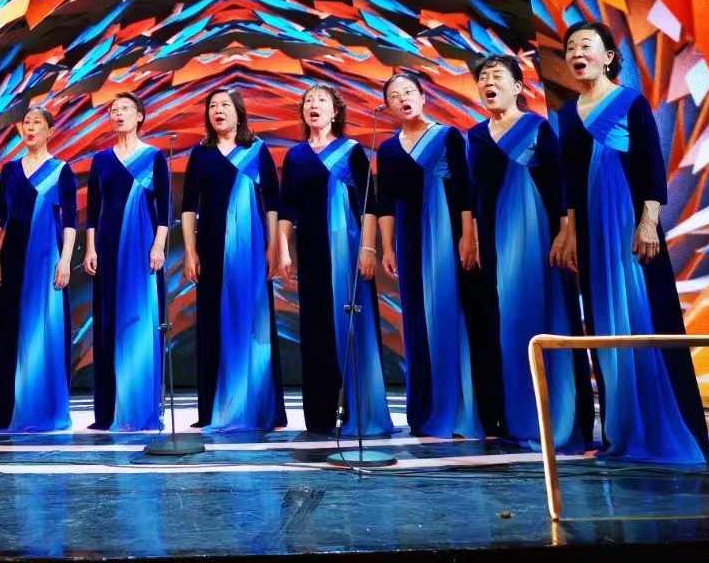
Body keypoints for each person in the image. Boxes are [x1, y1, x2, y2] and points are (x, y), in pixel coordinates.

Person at [557, 21, 709, 464]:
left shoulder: (631, 102)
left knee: (645, 314)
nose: (576, 53)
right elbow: (570, 182)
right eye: (571, 47)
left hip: (630, 224)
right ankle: (621, 431)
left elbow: (650, 164)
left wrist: (648, 222)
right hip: (591, 232)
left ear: (608, 57)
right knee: (603, 322)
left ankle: (664, 429)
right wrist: (568, 231)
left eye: (586, 46)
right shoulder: (566, 115)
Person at [466, 56, 592, 452]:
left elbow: (561, 183)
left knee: (543, 317)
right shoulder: (475, 136)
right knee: (507, 324)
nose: (488, 82)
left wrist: (566, 232)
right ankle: (518, 419)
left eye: (497, 76)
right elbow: (472, 193)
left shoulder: (537, 128)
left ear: (519, 87)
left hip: (539, 237)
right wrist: (470, 235)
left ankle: (558, 420)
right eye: (483, 77)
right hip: (494, 240)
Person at [370, 70, 502, 439]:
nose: (403, 99)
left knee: (453, 309)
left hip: (448, 234)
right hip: (410, 239)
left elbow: (464, 190)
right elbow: (385, 203)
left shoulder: (448, 136)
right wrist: (387, 246)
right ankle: (428, 409)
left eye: (408, 92)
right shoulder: (388, 149)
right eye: (395, 96)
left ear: (422, 96)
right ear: (388, 106)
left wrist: (468, 236)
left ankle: (463, 407)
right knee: (417, 318)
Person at [280, 83, 394, 437]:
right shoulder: (295, 156)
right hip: (311, 250)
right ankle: (320, 415)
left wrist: (369, 249)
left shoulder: (351, 151)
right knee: (315, 328)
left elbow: (369, 204)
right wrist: (283, 249)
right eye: (308, 100)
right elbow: (287, 208)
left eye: (321, 100)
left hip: (348, 249)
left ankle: (361, 410)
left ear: (336, 111)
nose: (313, 105)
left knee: (352, 325)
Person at [180, 87, 286, 431]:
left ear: (239, 112)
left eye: (225, 105)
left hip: (251, 248)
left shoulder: (257, 150)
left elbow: (272, 203)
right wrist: (190, 251)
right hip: (209, 247)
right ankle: (213, 409)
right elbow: (188, 207)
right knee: (212, 321)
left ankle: (260, 407)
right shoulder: (201, 153)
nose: (218, 110)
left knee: (254, 320)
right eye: (212, 106)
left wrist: (273, 246)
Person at [0, 108, 78, 432]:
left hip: (48, 256)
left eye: (37, 123)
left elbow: (71, 221)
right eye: (26, 123)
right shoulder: (10, 170)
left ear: (50, 131)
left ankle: (44, 407)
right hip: (12, 255)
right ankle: (6, 411)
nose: (30, 127)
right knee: (10, 329)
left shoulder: (61, 170)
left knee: (45, 327)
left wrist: (65, 260)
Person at [82, 91, 170, 431]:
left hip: (142, 246)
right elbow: (93, 209)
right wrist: (90, 249)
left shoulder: (154, 157)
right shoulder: (101, 160)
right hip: (106, 246)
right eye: (113, 110)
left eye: (125, 109)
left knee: (140, 319)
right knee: (108, 321)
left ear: (140, 116)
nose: (118, 115)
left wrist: (158, 246)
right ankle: (108, 412)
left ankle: (141, 408)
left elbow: (164, 208)